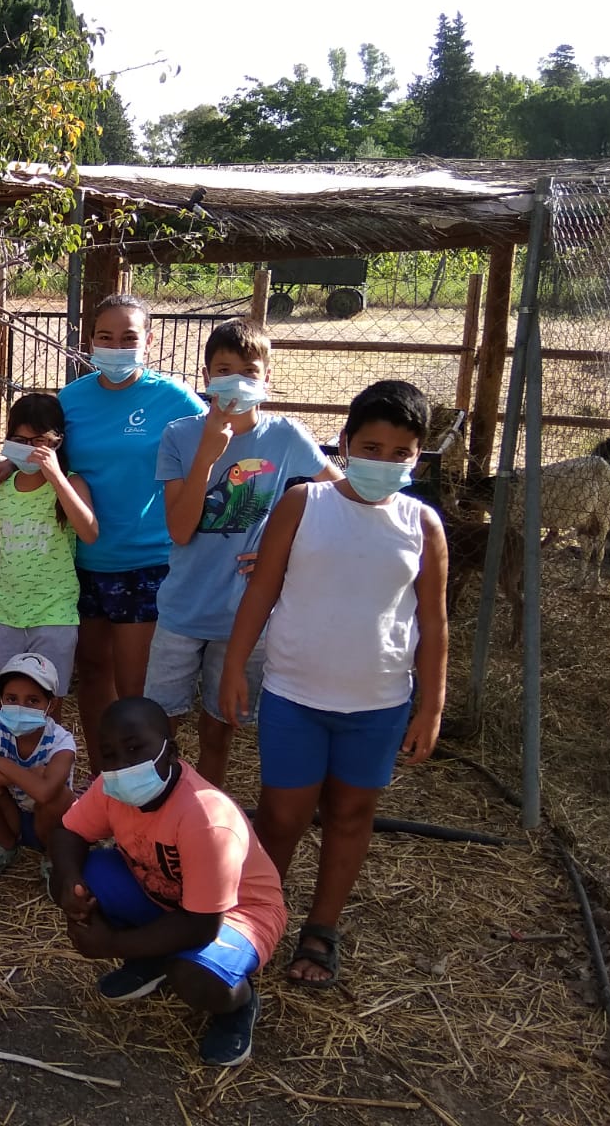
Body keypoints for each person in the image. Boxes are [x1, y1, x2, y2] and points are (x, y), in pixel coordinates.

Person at [219, 379, 447, 990]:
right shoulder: (304, 504)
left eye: (401, 453)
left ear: (418, 455)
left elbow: (433, 621)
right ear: (344, 442)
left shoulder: (421, 524)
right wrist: (235, 665)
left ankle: (321, 928)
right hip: (294, 694)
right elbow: (262, 589)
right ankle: (253, 918)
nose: (384, 462)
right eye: (370, 447)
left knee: (351, 813)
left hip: (378, 705)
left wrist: (431, 708)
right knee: (282, 814)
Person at [0, 294, 202, 772]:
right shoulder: (73, 399)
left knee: (136, 689)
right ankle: (107, 777)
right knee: (91, 677)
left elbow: (215, 455)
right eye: (105, 337)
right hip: (79, 565)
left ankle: (152, 778)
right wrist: (9, 460)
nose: (117, 346)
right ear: (90, 341)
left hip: (143, 561)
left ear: (149, 340)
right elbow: (42, 447)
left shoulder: (175, 400)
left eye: (129, 337)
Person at [146, 319, 339, 787]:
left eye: (249, 371)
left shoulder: (287, 437)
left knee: (220, 726)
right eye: (224, 369)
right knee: (159, 726)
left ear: (267, 378)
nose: (236, 381)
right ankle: (157, 810)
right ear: (206, 375)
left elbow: (338, 495)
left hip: (246, 617)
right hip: (182, 609)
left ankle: (210, 811)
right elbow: (180, 527)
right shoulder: (179, 435)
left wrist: (291, 554)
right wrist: (209, 456)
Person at [48, 697, 286, 1068]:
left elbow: (203, 924)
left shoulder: (205, 817)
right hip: (167, 896)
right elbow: (68, 833)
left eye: (134, 748)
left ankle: (238, 1003)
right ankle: (154, 954)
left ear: (170, 750)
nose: (122, 765)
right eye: (109, 754)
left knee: (193, 976)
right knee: (83, 876)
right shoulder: (111, 789)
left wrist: (110, 943)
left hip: (236, 914)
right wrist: (69, 883)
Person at [0, 394, 97, 723]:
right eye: (20, 441)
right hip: (6, 615)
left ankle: (47, 772)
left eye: (40, 441)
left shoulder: (72, 483)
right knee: (2, 703)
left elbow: (89, 532)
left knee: (49, 705)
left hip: (54, 616)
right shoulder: (2, 486)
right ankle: (5, 771)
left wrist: (55, 475)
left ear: (58, 442)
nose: (29, 449)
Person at [0, 653, 77, 886]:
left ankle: (53, 856)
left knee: (60, 797)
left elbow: (46, 793)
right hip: (14, 813)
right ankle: (6, 845)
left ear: (52, 704)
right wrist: (12, 776)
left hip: (52, 822)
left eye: (32, 701)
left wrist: (2, 765)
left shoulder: (61, 741)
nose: (20, 708)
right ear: (0, 700)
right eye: (11, 698)